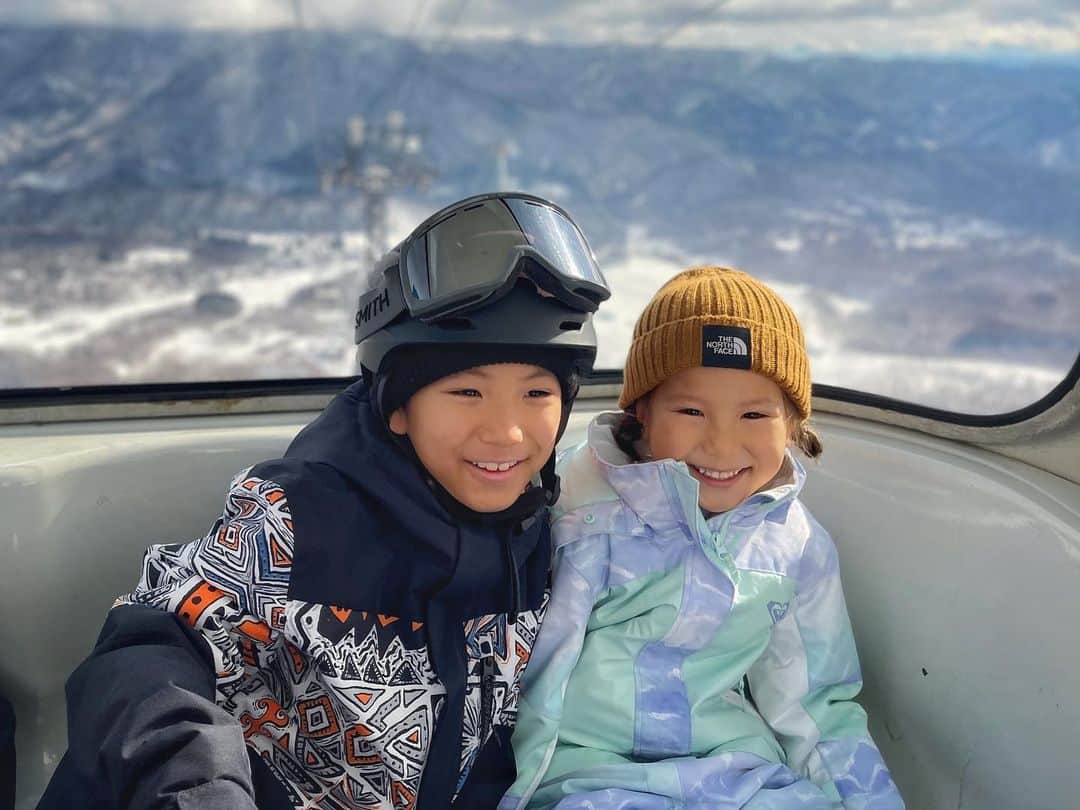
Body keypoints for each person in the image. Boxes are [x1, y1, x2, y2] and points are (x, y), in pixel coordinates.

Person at [39, 192, 610, 809]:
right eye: (467, 392)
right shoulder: (299, 519)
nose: (507, 433)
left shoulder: (539, 538)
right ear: (398, 407)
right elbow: (151, 645)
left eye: (537, 394)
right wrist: (196, 781)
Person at [502, 266, 904, 809]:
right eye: (691, 410)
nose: (721, 443)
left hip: (737, 776)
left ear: (792, 425)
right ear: (641, 412)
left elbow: (816, 706)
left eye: (754, 414)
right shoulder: (573, 503)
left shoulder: (794, 548)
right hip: (587, 774)